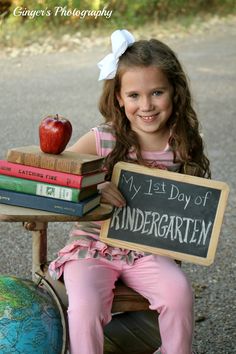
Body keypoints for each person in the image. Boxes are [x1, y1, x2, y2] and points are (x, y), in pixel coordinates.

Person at [49, 29, 211, 354]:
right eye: (134, 95)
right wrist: (91, 184)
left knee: (178, 292)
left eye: (157, 93)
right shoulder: (102, 139)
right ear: (119, 98)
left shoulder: (181, 146)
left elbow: (195, 205)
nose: (146, 105)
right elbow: (54, 174)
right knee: (85, 306)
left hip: (147, 250)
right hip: (92, 247)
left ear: (175, 93)